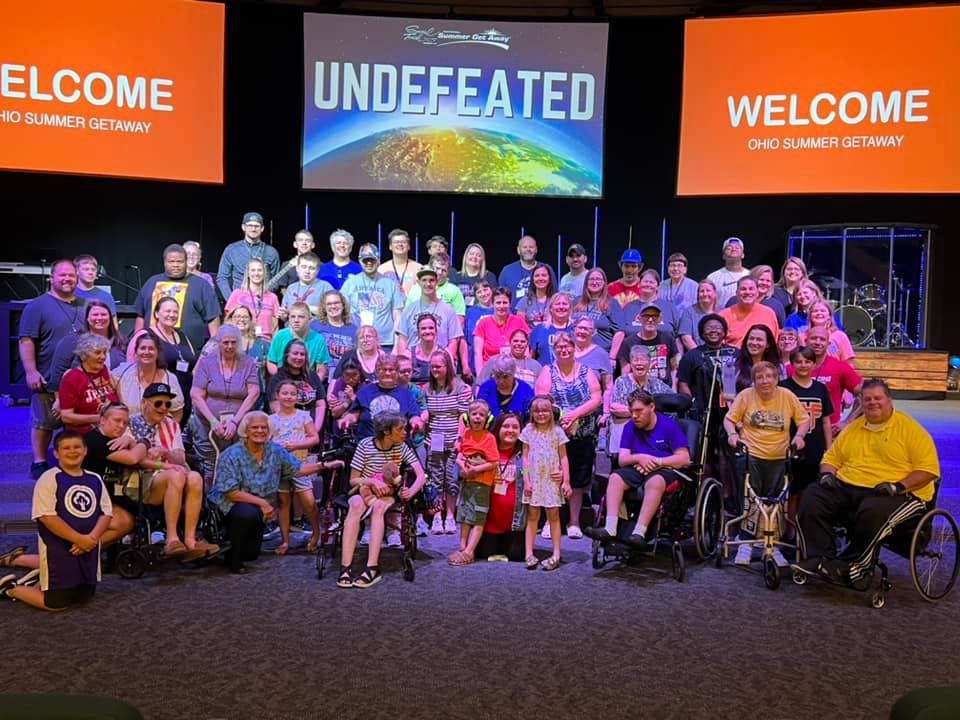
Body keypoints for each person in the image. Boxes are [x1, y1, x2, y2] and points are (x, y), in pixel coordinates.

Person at [792, 378, 938, 586]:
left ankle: (853, 567)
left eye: (878, 398)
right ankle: (820, 558)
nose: (872, 403)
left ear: (889, 400)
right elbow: (831, 459)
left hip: (899, 492)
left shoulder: (911, 430)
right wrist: (827, 475)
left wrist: (899, 486)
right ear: (861, 402)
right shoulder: (853, 429)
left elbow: (928, 470)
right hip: (852, 486)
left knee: (873, 510)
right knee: (813, 496)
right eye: (867, 399)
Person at [0, 431, 112, 612]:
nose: (72, 451)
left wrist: (91, 538)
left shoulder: (94, 479)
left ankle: (39, 580)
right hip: (59, 547)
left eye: (77, 447)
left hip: (87, 547)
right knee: (56, 604)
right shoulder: (49, 478)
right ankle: (11, 589)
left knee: (83, 598)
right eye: (66, 448)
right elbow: (47, 517)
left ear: (85, 451)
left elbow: (106, 513)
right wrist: (78, 539)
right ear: (56, 453)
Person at [208, 412, 324, 573]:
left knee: (251, 554)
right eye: (255, 427)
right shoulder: (232, 454)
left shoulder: (274, 450)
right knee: (246, 514)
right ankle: (232, 556)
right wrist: (263, 503)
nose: (260, 431)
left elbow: (297, 469)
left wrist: (323, 466)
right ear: (246, 431)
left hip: (258, 509)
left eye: (264, 427)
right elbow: (231, 493)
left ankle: (238, 545)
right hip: (230, 505)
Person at [723, 361, 810, 566]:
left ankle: (773, 544)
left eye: (769, 376)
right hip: (751, 453)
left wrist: (799, 437)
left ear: (777, 378)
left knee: (776, 501)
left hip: (779, 455)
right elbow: (729, 419)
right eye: (760, 377)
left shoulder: (787, 396)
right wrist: (732, 434)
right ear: (754, 381)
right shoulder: (745, 395)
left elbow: (804, 419)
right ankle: (746, 541)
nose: (765, 381)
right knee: (750, 499)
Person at [585, 389, 691, 549]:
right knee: (615, 477)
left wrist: (657, 462)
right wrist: (641, 458)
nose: (634, 416)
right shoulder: (630, 427)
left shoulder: (669, 426)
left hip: (664, 468)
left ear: (652, 407)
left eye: (639, 411)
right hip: (638, 467)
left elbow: (683, 458)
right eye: (632, 411)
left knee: (655, 482)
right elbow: (622, 459)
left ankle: (639, 532)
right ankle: (610, 528)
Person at [337, 411, 425, 588]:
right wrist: (371, 481)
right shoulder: (365, 445)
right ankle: (345, 567)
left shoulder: (402, 447)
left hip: (388, 492)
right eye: (400, 429)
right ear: (386, 431)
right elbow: (353, 479)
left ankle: (372, 567)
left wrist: (411, 491)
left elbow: (421, 475)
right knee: (354, 505)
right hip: (364, 489)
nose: (405, 432)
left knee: (378, 507)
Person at [129, 383, 218, 560]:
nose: (163, 408)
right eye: (158, 403)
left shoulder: (171, 425)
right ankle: (172, 539)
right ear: (145, 403)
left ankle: (191, 541)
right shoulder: (131, 423)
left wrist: (165, 452)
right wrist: (166, 466)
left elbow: (180, 459)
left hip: (172, 478)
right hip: (143, 479)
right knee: (177, 475)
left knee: (194, 477)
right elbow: (134, 459)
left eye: (167, 404)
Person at [19, 259, 85, 478]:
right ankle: (39, 461)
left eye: (71, 276)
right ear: (52, 278)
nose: (67, 279)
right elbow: (26, 340)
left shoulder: (85, 305)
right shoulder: (37, 306)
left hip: (78, 378)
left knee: (73, 422)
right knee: (44, 421)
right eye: (62, 275)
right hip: (47, 376)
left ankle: (71, 462)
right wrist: (31, 371)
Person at [534, 331, 601, 540]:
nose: (564, 350)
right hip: (555, 433)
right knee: (552, 477)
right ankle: (549, 521)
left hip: (583, 433)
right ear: (554, 350)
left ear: (574, 348)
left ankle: (574, 522)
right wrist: (561, 417)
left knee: (578, 480)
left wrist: (575, 414)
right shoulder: (547, 370)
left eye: (568, 346)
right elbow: (541, 399)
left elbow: (596, 397)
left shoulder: (586, 371)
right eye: (559, 347)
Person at [191, 325, 261, 487]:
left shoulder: (248, 363)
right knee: (210, 466)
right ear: (218, 343)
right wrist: (213, 422)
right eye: (225, 342)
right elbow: (196, 394)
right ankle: (209, 504)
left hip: (239, 424)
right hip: (208, 424)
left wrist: (235, 422)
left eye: (233, 342)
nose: (229, 346)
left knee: (236, 465)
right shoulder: (207, 363)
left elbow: (254, 393)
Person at [135, 243, 220, 354]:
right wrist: (136, 342)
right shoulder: (152, 282)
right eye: (171, 262)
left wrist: (214, 348)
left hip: (190, 353)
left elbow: (213, 318)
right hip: (152, 352)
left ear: (186, 261)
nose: (175, 265)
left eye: (180, 261)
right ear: (164, 262)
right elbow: (140, 315)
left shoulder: (201, 285)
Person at [268, 379, 322, 555]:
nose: (288, 397)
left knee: (309, 502)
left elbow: (314, 438)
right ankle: (285, 540)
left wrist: (297, 445)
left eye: (292, 394)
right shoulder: (271, 419)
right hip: (280, 468)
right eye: (284, 393)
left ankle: (316, 533)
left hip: (301, 466)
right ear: (278, 396)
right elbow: (266, 441)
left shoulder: (304, 416)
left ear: (297, 397)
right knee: (283, 503)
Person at [422, 350, 472, 534]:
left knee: (451, 478)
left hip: (454, 438)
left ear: (447, 367)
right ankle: (437, 516)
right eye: (433, 366)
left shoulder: (459, 386)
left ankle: (450, 516)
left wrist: (460, 439)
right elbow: (426, 412)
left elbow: (463, 416)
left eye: (439, 366)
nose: (435, 369)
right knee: (436, 478)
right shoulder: (427, 389)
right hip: (434, 438)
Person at [780, 346, 834, 514]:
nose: (803, 365)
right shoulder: (783, 387)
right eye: (798, 361)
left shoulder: (820, 388)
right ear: (792, 364)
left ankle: (800, 527)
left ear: (814, 364)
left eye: (807, 361)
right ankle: (787, 528)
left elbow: (825, 421)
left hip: (814, 446)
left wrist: (829, 449)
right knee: (790, 489)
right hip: (789, 446)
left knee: (807, 489)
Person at [521, 395, 570, 571]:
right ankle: (529, 553)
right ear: (532, 413)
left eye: (545, 411)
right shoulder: (528, 431)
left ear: (551, 412)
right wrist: (526, 479)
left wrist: (566, 480)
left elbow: (563, 457)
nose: (541, 414)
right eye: (537, 411)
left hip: (551, 479)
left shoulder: (557, 432)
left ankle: (556, 553)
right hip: (534, 480)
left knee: (554, 515)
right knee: (533, 515)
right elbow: (525, 459)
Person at [449, 400, 499, 565]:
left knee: (478, 517)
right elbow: (460, 456)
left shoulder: (489, 438)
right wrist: (462, 465)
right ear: (468, 417)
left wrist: (475, 470)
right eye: (474, 414)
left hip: (482, 484)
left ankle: (470, 551)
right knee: (464, 515)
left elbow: (493, 462)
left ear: (487, 419)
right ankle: (462, 547)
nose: (477, 418)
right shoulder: (467, 434)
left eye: (481, 415)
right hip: (467, 483)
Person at [473, 412, 527, 562]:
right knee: (483, 553)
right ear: (497, 429)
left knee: (516, 555)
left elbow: (528, 470)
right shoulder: (486, 451)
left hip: (514, 522)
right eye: (506, 426)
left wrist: (526, 471)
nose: (510, 430)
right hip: (488, 521)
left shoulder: (524, 454)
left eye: (515, 427)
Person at [791, 326, 864, 434]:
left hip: (829, 433)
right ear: (805, 341)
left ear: (829, 344)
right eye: (813, 338)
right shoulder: (791, 368)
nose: (817, 342)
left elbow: (865, 394)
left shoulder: (840, 367)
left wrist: (848, 421)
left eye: (822, 339)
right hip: (795, 433)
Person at [338, 354, 424, 440]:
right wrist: (347, 420)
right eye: (383, 369)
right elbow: (354, 415)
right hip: (368, 444)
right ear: (376, 371)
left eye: (391, 370)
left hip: (397, 444)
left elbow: (414, 415)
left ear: (397, 372)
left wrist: (416, 422)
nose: (387, 373)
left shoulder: (406, 394)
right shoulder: (364, 392)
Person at [607, 345, 674, 453]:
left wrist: (630, 412)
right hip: (623, 433)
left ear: (650, 363)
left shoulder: (657, 384)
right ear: (630, 363)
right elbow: (615, 408)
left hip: (650, 435)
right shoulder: (621, 381)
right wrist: (646, 413)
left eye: (643, 360)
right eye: (636, 360)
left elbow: (673, 401)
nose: (639, 363)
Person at [48, 300, 125, 394]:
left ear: (110, 318)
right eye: (95, 315)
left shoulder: (121, 341)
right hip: (80, 396)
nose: (99, 318)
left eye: (103, 314)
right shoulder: (72, 341)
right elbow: (58, 373)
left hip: (115, 395)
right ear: (87, 318)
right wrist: (59, 398)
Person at [341, 243, 405, 352]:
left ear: (378, 260)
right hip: (356, 342)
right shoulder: (350, 283)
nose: (369, 263)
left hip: (385, 343)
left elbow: (397, 316)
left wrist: (397, 343)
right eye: (365, 260)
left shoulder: (390, 283)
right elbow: (341, 312)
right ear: (360, 261)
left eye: (372, 260)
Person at [113, 331, 187, 422]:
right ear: (136, 352)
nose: (146, 352)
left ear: (158, 352)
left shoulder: (170, 379)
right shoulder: (120, 374)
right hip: (126, 431)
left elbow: (177, 414)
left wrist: (168, 433)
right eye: (143, 348)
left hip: (159, 432)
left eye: (151, 349)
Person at [394, 267, 462, 359]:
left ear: (437, 282)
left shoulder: (448, 310)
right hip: (414, 363)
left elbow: (453, 341)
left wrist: (446, 361)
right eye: (424, 280)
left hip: (440, 362)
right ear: (418, 283)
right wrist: (404, 361)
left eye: (431, 280)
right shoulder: (409, 309)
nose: (428, 284)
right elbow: (402, 339)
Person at [58, 334, 119, 434]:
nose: (103, 357)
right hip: (86, 433)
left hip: (110, 428)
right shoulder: (72, 378)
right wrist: (99, 418)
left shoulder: (103, 370)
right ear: (83, 356)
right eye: (97, 353)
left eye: (104, 352)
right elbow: (66, 417)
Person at [619, 268, 692, 349]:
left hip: (664, 358)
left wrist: (679, 359)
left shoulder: (670, 308)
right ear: (639, 284)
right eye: (645, 281)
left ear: (658, 286)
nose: (648, 284)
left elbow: (678, 338)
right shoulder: (628, 308)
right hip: (634, 358)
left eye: (651, 282)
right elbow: (621, 335)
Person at [216, 211, 281, 301]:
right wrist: (231, 300)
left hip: (263, 303)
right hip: (239, 304)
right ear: (243, 227)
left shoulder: (271, 252)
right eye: (250, 225)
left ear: (262, 228)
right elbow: (222, 277)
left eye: (256, 226)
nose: (253, 229)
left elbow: (276, 280)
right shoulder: (231, 249)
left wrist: (265, 297)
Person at [614, 303, 679, 389]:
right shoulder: (628, 342)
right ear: (639, 318)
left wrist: (673, 390)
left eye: (655, 316)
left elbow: (674, 368)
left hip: (664, 391)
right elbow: (625, 374)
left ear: (660, 319)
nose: (650, 319)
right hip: (638, 393)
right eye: (646, 316)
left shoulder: (668, 338)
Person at [266, 302, 332, 379]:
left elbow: (321, 369)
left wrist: (313, 384)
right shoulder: (280, 335)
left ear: (309, 320)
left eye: (301, 317)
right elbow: (271, 362)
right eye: (293, 317)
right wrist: (280, 379)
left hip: (307, 380)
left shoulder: (318, 339)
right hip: (282, 379)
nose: (296, 320)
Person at [221, 305, 270, 408]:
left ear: (251, 320)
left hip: (257, 401)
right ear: (230, 320)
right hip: (229, 400)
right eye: (237, 316)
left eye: (245, 317)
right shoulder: (219, 343)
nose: (241, 319)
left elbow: (269, 375)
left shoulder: (263, 345)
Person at [473, 287, 530, 369]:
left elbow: (526, 351)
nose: (501, 306)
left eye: (505, 303)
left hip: (515, 371)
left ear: (510, 304)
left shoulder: (519, 322)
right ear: (492, 304)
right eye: (498, 303)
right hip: (490, 371)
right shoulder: (483, 323)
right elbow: (477, 353)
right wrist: (480, 378)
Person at [224, 258, 280, 340]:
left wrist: (274, 346)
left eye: (259, 270)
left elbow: (275, 326)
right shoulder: (237, 294)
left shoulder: (272, 297)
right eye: (253, 270)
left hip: (265, 342)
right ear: (248, 273)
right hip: (242, 340)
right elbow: (228, 320)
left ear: (264, 273)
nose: (256, 273)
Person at [719, 276, 780, 348]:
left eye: (751, 289)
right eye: (743, 289)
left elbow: (774, 341)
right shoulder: (724, 315)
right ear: (737, 293)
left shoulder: (769, 313)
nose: (747, 292)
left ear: (757, 292)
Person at [572, 267, 621, 351]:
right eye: (591, 279)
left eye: (598, 279)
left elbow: (619, 333)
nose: (594, 282)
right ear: (586, 282)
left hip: (601, 352)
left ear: (604, 282)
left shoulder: (612, 303)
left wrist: (612, 357)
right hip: (576, 353)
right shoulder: (576, 302)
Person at [498, 234, 557, 302]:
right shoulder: (507, 271)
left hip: (543, 312)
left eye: (531, 247)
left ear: (536, 250)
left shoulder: (547, 269)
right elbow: (499, 298)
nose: (528, 249)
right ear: (518, 250)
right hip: (514, 312)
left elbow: (554, 296)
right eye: (524, 247)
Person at [311, 290, 359, 375]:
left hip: (344, 378)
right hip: (319, 377)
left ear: (343, 305)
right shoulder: (314, 326)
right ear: (324, 307)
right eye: (329, 304)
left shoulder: (353, 330)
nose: (333, 306)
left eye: (336, 303)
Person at [279, 252, 335, 319]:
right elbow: (284, 318)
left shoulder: (325, 287)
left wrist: (306, 307)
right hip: (292, 328)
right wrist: (284, 315)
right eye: (303, 267)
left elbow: (333, 311)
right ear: (297, 268)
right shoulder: (291, 288)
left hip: (316, 328)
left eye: (311, 268)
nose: (307, 271)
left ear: (317, 271)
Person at [477, 328, 541, 386]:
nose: (519, 344)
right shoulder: (495, 361)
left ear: (527, 344)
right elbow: (479, 384)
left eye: (522, 341)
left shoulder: (535, 366)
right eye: (515, 341)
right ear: (510, 343)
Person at [730, 324, 781, 396]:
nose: (754, 343)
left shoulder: (778, 367)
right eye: (751, 338)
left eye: (759, 340)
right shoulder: (734, 366)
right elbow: (728, 396)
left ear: (768, 344)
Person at [528, 293, 573, 365]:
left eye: (564, 304)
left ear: (570, 308)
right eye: (557, 304)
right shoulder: (539, 329)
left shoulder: (576, 329)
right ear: (551, 309)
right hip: (544, 373)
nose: (561, 307)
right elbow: (531, 357)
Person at [706, 236, 751, 307]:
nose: (733, 249)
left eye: (737, 248)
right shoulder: (713, 277)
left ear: (743, 255)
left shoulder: (750, 275)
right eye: (729, 248)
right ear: (723, 256)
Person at [267, 229, 315, 294]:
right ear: (295, 244)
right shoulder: (287, 265)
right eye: (301, 240)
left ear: (313, 245)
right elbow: (283, 289)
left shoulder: (320, 266)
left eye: (308, 240)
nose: (304, 243)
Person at [377, 228, 422, 299]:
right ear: (390, 246)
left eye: (403, 242)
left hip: (413, 308)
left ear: (409, 246)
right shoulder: (381, 269)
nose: (400, 244)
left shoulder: (419, 268)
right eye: (396, 242)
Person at [463, 279, 494, 374]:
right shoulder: (471, 312)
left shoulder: (500, 309)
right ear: (475, 295)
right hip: (475, 362)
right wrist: (465, 365)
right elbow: (465, 339)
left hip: (496, 360)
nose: (483, 294)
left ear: (492, 290)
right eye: (479, 292)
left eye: (485, 289)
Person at [408, 313, 444, 385]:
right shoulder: (408, 354)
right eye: (423, 328)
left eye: (431, 328)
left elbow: (451, 379)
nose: (427, 331)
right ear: (418, 332)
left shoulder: (444, 354)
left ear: (436, 331)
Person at [684, 279, 720, 346]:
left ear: (715, 293)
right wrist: (698, 355)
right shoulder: (689, 312)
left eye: (708, 291)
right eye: (702, 291)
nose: (705, 294)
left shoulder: (722, 311)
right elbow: (686, 338)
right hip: (696, 353)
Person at [327, 359, 363, 425]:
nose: (351, 379)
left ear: (360, 374)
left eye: (355, 375)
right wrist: (348, 401)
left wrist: (353, 397)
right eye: (347, 375)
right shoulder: (339, 383)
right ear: (342, 374)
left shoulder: (365, 385)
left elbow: (366, 412)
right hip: (339, 425)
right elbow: (334, 413)